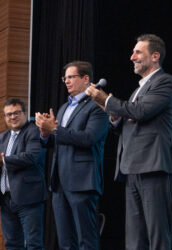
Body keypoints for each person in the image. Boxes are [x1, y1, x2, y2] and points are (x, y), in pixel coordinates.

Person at [85, 34, 172, 250]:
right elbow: (131, 120)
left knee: (157, 235)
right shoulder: (138, 90)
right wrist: (115, 118)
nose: (132, 57)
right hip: (132, 167)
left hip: (155, 166)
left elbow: (141, 112)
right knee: (134, 237)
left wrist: (106, 100)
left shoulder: (165, 82)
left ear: (155, 56)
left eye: (138, 52)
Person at [35, 61, 109, 250]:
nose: (66, 81)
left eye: (71, 77)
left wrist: (56, 130)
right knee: (65, 241)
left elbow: (88, 138)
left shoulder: (96, 107)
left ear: (85, 79)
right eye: (64, 78)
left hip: (82, 182)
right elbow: (57, 141)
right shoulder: (63, 108)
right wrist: (45, 134)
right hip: (59, 183)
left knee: (86, 240)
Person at [0, 98, 47, 249]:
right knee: (12, 244)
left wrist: (4, 161)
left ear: (24, 113)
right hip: (6, 199)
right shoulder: (3, 137)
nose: (12, 117)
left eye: (16, 113)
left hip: (28, 198)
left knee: (33, 244)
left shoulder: (34, 132)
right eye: (8, 114)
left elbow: (31, 157)